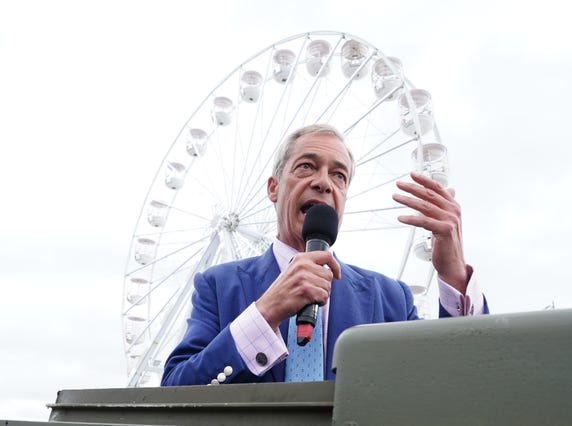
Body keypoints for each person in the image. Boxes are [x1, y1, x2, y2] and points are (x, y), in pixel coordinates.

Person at [161, 124, 487, 386]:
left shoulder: (391, 300)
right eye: (307, 167)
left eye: (339, 175)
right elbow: (177, 390)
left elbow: (458, 386)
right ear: (273, 188)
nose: (323, 183)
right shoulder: (218, 287)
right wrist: (265, 314)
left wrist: (454, 275)